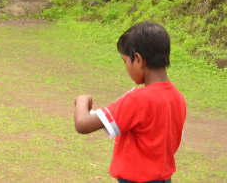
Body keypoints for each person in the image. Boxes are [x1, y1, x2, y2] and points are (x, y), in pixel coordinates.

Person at [73, 21, 186, 183]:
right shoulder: (177, 97)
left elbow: (83, 124)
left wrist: (81, 100)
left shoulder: (138, 100)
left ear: (138, 59)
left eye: (125, 61)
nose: (126, 67)